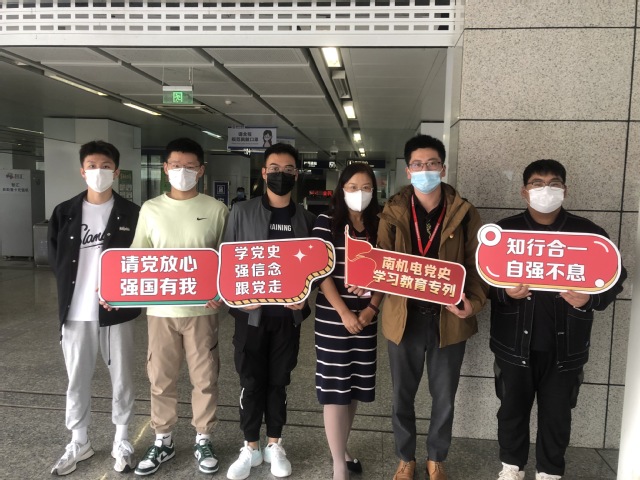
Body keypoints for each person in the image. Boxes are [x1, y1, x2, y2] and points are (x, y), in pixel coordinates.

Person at [492, 160, 627, 480]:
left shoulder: (590, 234)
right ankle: (511, 468)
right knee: (511, 411)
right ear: (524, 191)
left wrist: (591, 299)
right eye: (537, 183)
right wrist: (503, 292)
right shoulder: (504, 232)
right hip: (514, 344)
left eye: (554, 183)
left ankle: (549, 473)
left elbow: (616, 278)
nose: (546, 190)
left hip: (566, 347)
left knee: (557, 415)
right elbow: (482, 280)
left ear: (564, 190)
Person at [377, 134, 488, 480]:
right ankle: (405, 458)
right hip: (404, 319)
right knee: (402, 395)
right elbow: (380, 260)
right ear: (408, 171)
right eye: (418, 164)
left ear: (443, 168)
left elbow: (478, 265)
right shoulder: (393, 211)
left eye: (432, 163)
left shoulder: (465, 213)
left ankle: (436, 458)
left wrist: (474, 304)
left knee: (444, 397)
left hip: (449, 320)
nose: (425, 170)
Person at [131, 138, 229, 476]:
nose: (182, 171)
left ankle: (203, 437)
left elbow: (227, 260)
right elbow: (137, 258)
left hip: (202, 311)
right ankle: (163, 439)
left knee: (205, 378)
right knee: (160, 378)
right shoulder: (150, 209)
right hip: (161, 311)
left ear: (201, 170)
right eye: (176, 165)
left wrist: (221, 292)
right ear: (165, 168)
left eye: (189, 166)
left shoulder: (217, 210)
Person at [48, 140, 141, 476]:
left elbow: (142, 260)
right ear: (82, 171)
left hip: (117, 312)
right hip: (75, 312)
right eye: (91, 166)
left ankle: (122, 439)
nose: (98, 171)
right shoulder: (65, 212)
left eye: (105, 166)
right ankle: (79, 440)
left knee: (122, 378)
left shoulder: (132, 213)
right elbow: (56, 260)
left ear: (116, 172)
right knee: (76, 379)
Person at [224, 143, 316, 480]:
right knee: (251, 382)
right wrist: (239, 299)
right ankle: (250, 446)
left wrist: (306, 296)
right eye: (274, 168)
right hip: (251, 318)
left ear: (297, 175)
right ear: (263, 173)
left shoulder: (306, 219)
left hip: (287, 319)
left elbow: (316, 269)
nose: (281, 174)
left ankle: (275, 444)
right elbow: (226, 262)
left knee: (279, 382)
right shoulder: (241, 212)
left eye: (288, 169)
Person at [312, 163, 384, 480]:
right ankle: (338, 464)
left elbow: (388, 270)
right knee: (335, 387)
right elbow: (320, 271)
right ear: (341, 189)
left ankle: (342, 448)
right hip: (333, 319)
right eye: (353, 187)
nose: (359, 193)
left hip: (367, 319)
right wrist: (344, 312)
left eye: (366, 187)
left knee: (354, 387)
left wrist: (371, 309)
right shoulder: (326, 222)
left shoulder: (380, 224)